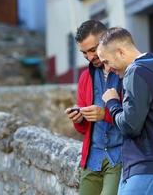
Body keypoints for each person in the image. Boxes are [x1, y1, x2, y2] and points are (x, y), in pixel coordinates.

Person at [98, 27, 153, 195]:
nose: (107, 69)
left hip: (149, 167)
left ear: (120, 52)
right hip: (152, 165)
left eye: (106, 62)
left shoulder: (136, 71)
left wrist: (112, 103)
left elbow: (130, 126)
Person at [64, 20, 123, 195]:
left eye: (93, 50)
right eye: (84, 53)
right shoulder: (84, 78)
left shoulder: (125, 72)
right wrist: (79, 119)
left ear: (106, 40)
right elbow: (84, 130)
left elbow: (135, 119)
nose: (90, 57)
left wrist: (104, 114)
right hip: (92, 158)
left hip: (120, 157)